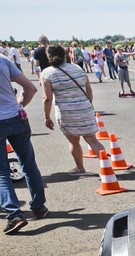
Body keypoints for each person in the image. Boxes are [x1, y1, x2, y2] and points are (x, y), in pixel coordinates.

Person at [41, 45, 106, 176]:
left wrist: (46, 116)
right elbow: (89, 90)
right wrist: (87, 105)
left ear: (48, 57)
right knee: (92, 140)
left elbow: (47, 98)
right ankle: (107, 167)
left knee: (73, 141)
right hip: (85, 108)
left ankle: (80, 168)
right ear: (65, 55)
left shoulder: (47, 73)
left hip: (66, 113)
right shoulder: (78, 68)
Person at [0, 54, 47, 235]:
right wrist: (19, 105)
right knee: (28, 163)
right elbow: (30, 88)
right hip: (16, 117)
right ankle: (38, 206)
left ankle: (14, 214)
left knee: (2, 171)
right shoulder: (3, 59)